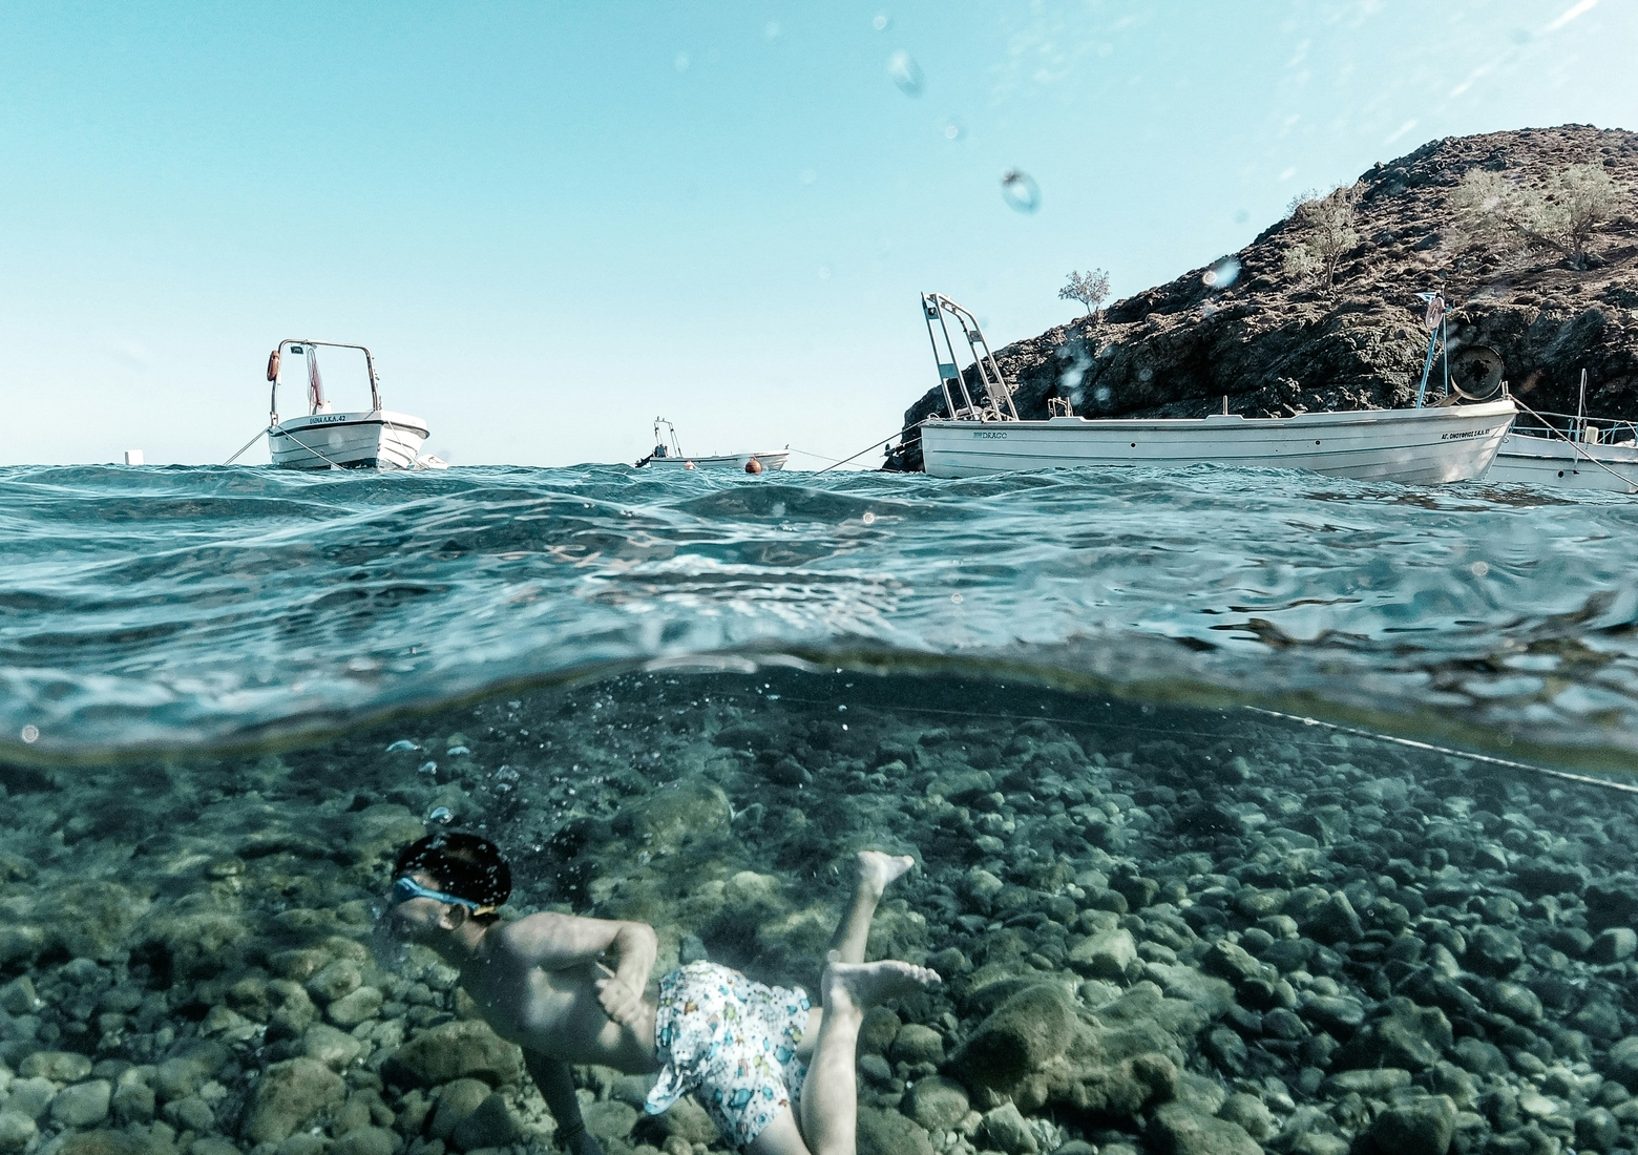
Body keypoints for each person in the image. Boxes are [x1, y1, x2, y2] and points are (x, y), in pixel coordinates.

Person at [383, 832, 939, 1155]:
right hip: (701, 1004)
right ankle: (868, 885)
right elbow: (539, 1043)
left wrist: (626, 983)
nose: (389, 903)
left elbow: (636, 933)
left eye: (404, 891)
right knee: (832, 1032)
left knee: (837, 1042)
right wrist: (575, 1131)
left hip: (692, 1033)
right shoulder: (480, 981)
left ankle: (845, 1002)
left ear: (454, 914)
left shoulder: (520, 942)